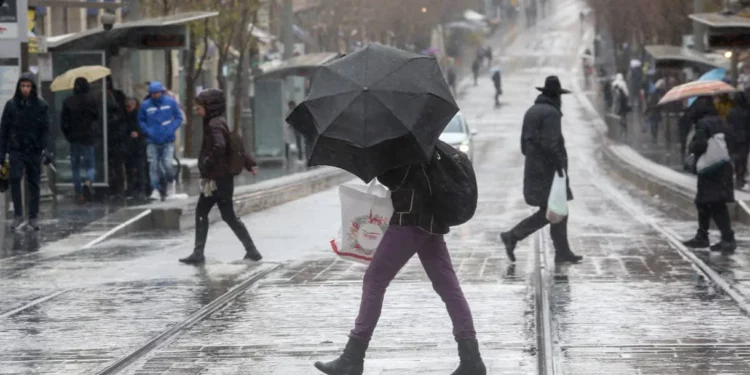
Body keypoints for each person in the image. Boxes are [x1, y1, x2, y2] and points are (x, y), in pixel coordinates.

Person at [313, 164, 487, 375]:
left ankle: (352, 357)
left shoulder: (404, 147)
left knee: (374, 280)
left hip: (409, 220)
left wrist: (380, 165)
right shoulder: (426, 145)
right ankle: (472, 359)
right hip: (430, 221)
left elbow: (398, 179)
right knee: (448, 288)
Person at [499, 76, 583, 264]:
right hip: (549, 172)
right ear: (556, 96)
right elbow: (551, 143)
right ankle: (513, 236)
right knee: (555, 211)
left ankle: (562, 252)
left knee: (557, 211)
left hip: (534, 170)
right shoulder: (552, 114)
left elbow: (523, 146)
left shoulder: (532, 111)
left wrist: (535, 159)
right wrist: (559, 166)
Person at [179, 89, 262, 264]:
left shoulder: (213, 125)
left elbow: (221, 146)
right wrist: (249, 163)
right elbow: (234, 147)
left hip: (217, 179)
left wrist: (207, 162)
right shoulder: (218, 122)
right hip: (219, 178)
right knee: (217, 213)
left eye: (199, 107)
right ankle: (248, 250)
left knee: (216, 213)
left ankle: (249, 251)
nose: (197, 110)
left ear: (209, 107)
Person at [682, 96, 736, 253]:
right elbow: (732, 140)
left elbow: (699, 145)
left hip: (709, 169)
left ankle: (725, 238)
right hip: (724, 166)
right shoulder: (721, 120)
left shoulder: (702, 123)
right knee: (707, 202)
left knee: (711, 203)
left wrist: (692, 146)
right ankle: (705, 235)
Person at [0, 73, 52, 231]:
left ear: (33, 87)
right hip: (16, 148)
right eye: (23, 86)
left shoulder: (41, 106)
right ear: (19, 87)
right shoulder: (11, 105)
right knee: (15, 179)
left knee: (34, 182)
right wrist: (1, 155)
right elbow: (4, 130)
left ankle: (33, 216)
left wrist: (47, 149)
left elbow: (46, 130)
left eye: (28, 86)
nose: (25, 89)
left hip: (34, 149)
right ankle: (18, 214)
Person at [138, 81, 183, 201]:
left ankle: (170, 182)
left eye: (158, 93)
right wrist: (148, 131)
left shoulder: (170, 102)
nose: (156, 95)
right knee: (153, 165)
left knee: (167, 163)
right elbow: (141, 120)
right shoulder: (145, 106)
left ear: (161, 92)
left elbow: (179, 117)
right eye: (153, 94)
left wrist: (171, 129)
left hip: (167, 140)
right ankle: (155, 189)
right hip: (152, 140)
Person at [61, 77, 99, 204]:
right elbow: (96, 117)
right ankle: (88, 181)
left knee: (75, 167)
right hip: (88, 138)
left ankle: (79, 193)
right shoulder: (91, 100)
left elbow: (64, 123)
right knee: (90, 165)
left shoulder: (68, 101)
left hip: (74, 139)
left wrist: (69, 136)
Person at [105, 77, 128, 197]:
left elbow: (120, 113)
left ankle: (118, 187)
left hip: (116, 135)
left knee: (117, 163)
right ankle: (113, 186)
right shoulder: (101, 96)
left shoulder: (117, 95)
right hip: (108, 135)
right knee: (110, 163)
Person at [124, 98, 147, 200]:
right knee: (132, 168)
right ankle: (135, 188)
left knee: (138, 168)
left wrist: (138, 134)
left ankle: (139, 188)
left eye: (129, 106)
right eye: (127, 106)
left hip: (137, 146)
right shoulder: (128, 116)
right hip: (131, 146)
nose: (128, 108)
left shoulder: (138, 116)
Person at [727, 90, 750, 188]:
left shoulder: (731, 112)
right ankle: (740, 176)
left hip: (734, 137)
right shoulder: (747, 111)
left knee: (737, 158)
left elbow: (728, 125)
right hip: (745, 138)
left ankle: (738, 176)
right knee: (743, 158)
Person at [612, 73, 630, 138]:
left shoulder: (613, 83)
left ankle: (619, 126)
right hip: (623, 101)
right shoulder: (623, 83)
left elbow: (613, 92)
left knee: (618, 114)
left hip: (616, 102)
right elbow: (626, 93)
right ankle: (624, 128)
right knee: (623, 115)